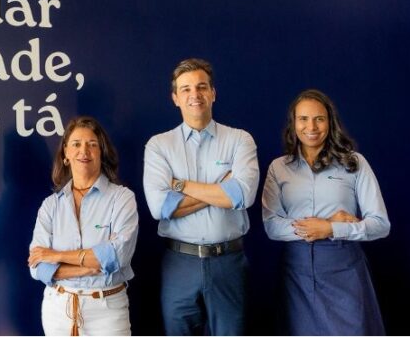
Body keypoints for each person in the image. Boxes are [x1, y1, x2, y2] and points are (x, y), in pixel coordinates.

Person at [143, 58, 260, 335]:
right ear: (175, 98)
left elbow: (243, 195)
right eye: (185, 89)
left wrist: (179, 185)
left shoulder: (240, 140)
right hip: (179, 263)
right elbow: (160, 207)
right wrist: (221, 188)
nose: (194, 95)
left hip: (228, 262)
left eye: (201, 87)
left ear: (213, 93)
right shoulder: (159, 145)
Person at [261, 88, 390, 335]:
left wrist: (332, 229)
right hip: (297, 274)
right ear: (293, 123)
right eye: (303, 119)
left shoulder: (354, 162)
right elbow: (272, 226)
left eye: (319, 119)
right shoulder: (278, 168)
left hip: (344, 269)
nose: (311, 126)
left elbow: (380, 225)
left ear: (330, 122)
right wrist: (324, 223)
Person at [28, 116, 138, 336]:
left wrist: (57, 255)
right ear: (66, 154)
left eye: (92, 144)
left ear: (101, 152)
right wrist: (88, 267)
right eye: (76, 144)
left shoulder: (122, 198)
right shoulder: (50, 205)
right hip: (58, 308)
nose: (84, 151)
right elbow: (38, 267)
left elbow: (117, 256)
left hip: (107, 309)